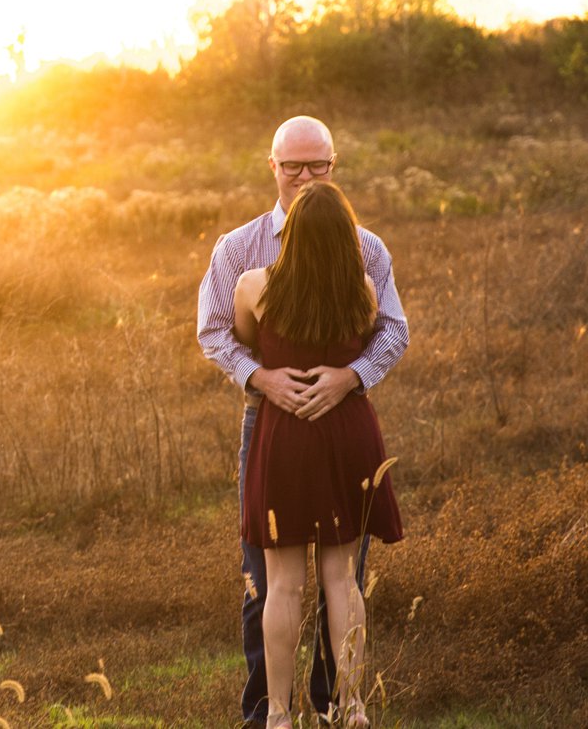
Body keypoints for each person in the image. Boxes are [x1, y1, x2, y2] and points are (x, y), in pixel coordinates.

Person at [195, 115, 409, 727]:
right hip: (281, 419)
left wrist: (351, 375)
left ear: (333, 167)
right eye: (295, 166)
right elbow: (214, 337)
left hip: (312, 426)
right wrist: (262, 378)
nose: (306, 176)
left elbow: (392, 335)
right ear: (273, 166)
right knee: (278, 579)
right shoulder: (239, 248)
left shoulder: (344, 259)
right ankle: (300, 707)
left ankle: (300, 711)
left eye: (318, 167)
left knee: (301, 578)